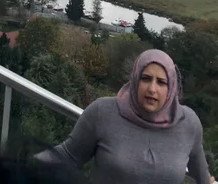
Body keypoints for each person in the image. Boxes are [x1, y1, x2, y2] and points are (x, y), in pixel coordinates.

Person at [36, 49, 211, 184]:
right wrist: (25, 166)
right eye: (145, 78)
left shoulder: (188, 123)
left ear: (171, 88)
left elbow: (202, 176)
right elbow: (68, 155)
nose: (152, 89)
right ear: (135, 80)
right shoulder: (103, 112)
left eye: (161, 82)